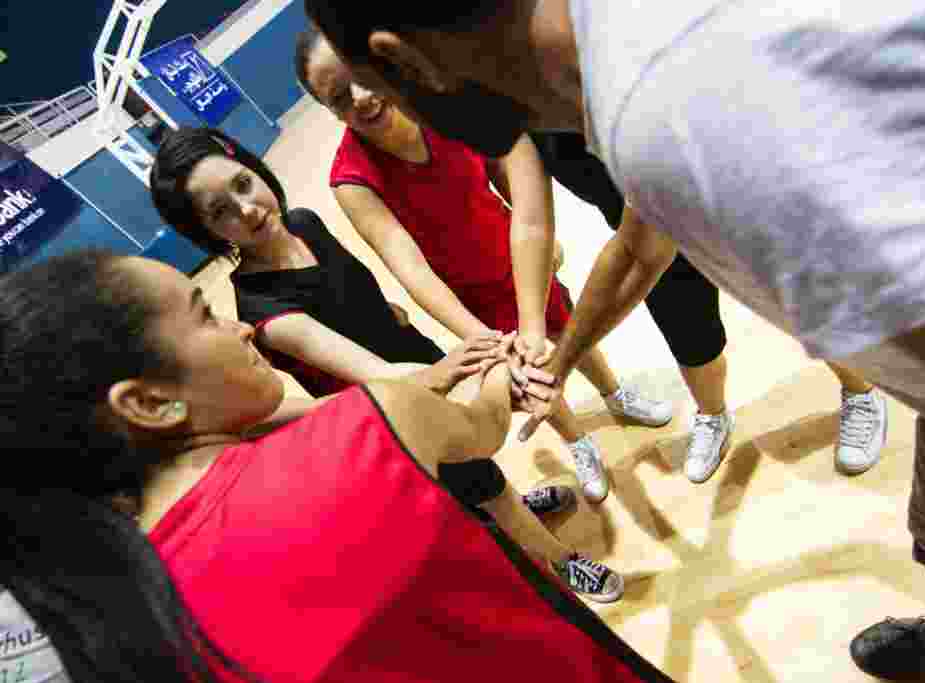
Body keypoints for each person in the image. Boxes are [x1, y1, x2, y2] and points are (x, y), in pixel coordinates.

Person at [304, 0, 925, 677]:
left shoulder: (669, 120)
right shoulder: (627, 60)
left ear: (405, 63)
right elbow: (638, 251)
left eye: (377, 88)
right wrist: (558, 354)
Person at [0, 248, 675, 680]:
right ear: (150, 402)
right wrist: (500, 364)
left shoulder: (128, 619)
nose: (239, 329)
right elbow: (486, 424)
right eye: (204, 316)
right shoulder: (358, 434)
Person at [149, 127, 622, 601]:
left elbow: (368, 298)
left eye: (242, 185)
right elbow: (388, 377)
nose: (247, 210)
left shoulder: (304, 223)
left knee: (476, 467)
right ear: (204, 232)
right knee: (479, 481)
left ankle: (509, 515)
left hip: (414, 357)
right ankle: (560, 562)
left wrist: (400, 322)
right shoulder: (266, 312)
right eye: (221, 213)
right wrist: (499, 367)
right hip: (388, 407)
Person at [295, 29, 674, 505]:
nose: (361, 98)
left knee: (565, 325)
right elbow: (412, 270)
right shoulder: (352, 179)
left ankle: (614, 394)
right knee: (525, 363)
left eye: (359, 78)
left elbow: (508, 176)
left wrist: (539, 235)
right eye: (338, 97)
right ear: (328, 111)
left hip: (514, 253)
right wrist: (486, 342)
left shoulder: (441, 106)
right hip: (464, 292)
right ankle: (577, 442)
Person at [528, 131, 888, 479]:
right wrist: (544, 351)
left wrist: (560, 362)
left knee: (802, 309)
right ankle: (713, 415)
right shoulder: (520, 116)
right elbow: (535, 223)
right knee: (689, 334)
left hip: (731, 201)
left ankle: (862, 392)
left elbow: (637, 249)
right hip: (641, 228)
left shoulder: (627, 99)